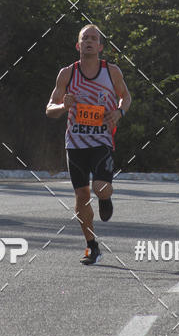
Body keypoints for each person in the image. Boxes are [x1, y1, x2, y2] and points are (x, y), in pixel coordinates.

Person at [46, 24, 131, 264]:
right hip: (75, 144)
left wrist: (119, 112)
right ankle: (92, 245)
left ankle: (105, 198)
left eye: (94, 39)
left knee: (100, 188)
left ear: (101, 46)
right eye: (85, 39)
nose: (90, 42)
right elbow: (49, 109)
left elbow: (126, 96)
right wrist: (64, 106)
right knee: (81, 196)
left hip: (101, 140)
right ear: (78, 45)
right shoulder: (67, 73)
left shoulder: (111, 71)